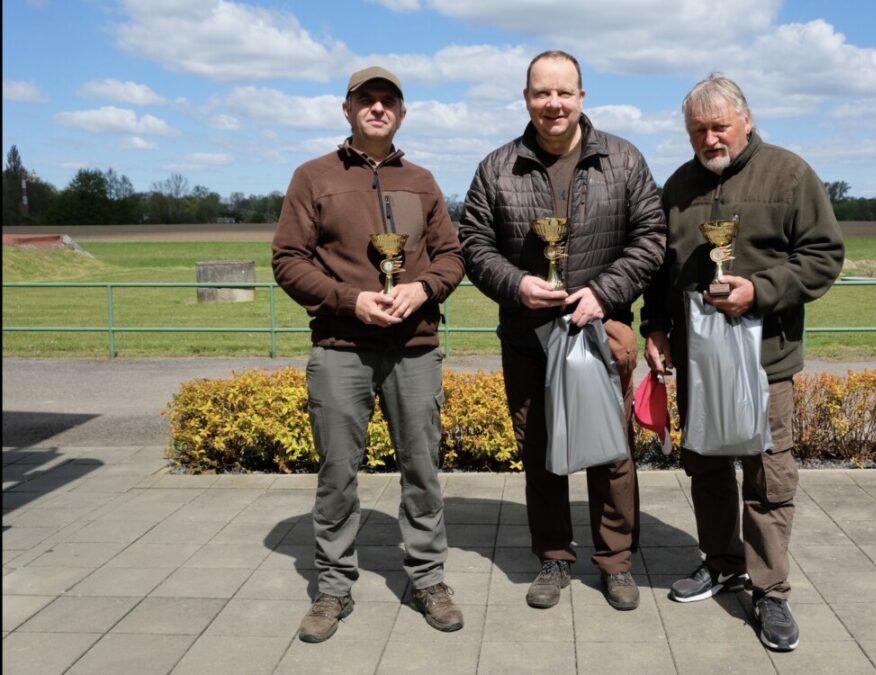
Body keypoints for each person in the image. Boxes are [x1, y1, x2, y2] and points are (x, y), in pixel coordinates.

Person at [640, 74, 844, 651]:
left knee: (767, 475)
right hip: (700, 361)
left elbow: (824, 256)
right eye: (698, 130)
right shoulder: (677, 186)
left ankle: (771, 590)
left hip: (765, 358)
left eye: (719, 126)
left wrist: (761, 289)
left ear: (746, 121)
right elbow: (661, 269)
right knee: (705, 466)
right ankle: (722, 561)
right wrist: (654, 326)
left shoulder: (789, 174)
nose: (710, 138)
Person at [458, 50, 666, 612]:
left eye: (563, 92)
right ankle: (553, 556)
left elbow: (651, 237)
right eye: (541, 93)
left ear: (582, 96)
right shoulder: (497, 167)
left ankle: (616, 561)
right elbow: (473, 245)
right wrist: (516, 284)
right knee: (540, 451)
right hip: (528, 338)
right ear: (526, 98)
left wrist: (604, 294)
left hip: (602, 333)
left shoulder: (623, 160)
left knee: (611, 451)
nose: (553, 103)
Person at [273, 66, 466, 641]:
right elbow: (288, 259)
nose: (378, 108)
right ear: (347, 109)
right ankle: (333, 588)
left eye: (388, 101)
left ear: (401, 113)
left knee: (423, 470)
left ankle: (428, 578)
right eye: (367, 100)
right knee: (337, 472)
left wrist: (422, 287)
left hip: (414, 348)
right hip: (341, 347)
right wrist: (349, 299)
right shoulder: (313, 177)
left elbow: (452, 256)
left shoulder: (424, 181)